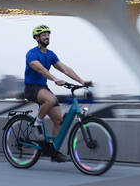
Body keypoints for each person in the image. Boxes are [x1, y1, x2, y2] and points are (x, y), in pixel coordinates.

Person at [24, 24, 92, 162]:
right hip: (31, 88)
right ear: (37, 38)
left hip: (42, 87)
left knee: (58, 120)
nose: (47, 37)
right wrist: (54, 79)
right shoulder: (31, 53)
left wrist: (82, 81)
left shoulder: (51, 55)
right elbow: (40, 69)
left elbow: (65, 69)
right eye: (43, 35)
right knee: (50, 100)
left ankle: (53, 152)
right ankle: (37, 123)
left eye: (48, 34)